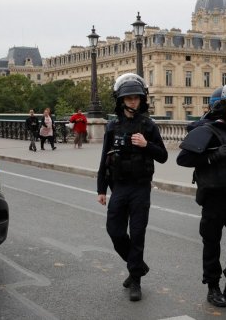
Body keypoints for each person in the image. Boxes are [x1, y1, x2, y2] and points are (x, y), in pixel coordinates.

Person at [177, 84, 226, 308]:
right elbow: (183, 160)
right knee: (212, 245)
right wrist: (212, 157)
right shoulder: (205, 130)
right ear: (220, 107)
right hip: (212, 199)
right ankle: (213, 288)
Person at [96, 73, 168, 302]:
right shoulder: (112, 126)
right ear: (120, 100)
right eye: (128, 98)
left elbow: (164, 156)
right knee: (115, 231)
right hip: (119, 187)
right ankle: (137, 266)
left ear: (142, 99)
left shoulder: (148, 125)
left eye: (136, 98)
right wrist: (101, 189)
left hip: (140, 188)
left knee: (137, 234)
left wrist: (147, 145)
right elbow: (104, 159)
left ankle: (135, 279)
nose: (133, 102)